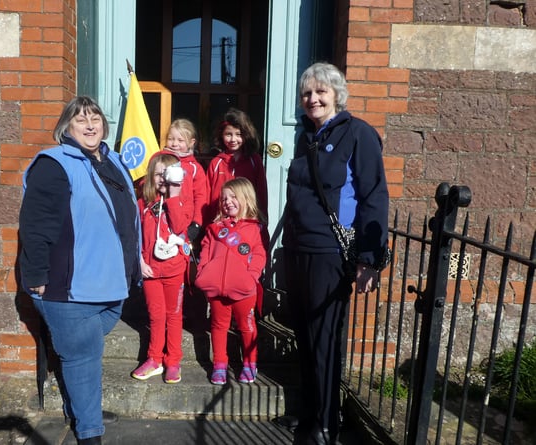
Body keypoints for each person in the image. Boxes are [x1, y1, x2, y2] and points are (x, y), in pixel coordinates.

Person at [18, 96, 140, 445]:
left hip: (112, 285)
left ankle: (83, 408)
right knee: (83, 357)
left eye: (95, 118)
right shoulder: (53, 164)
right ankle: (89, 432)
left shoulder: (113, 161)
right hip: (69, 286)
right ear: (66, 129)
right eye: (80, 120)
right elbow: (36, 224)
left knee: (85, 354)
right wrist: (37, 277)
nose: (90, 125)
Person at [283, 62, 389, 444]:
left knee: (326, 339)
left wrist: (368, 259)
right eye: (307, 93)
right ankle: (310, 413)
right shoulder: (305, 137)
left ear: (336, 95)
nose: (312, 99)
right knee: (306, 337)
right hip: (298, 249)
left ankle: (328, 424)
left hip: (331, 253)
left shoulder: (358, 134)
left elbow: (374, 197)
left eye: (320, 92)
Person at [195, 177, 267, 385]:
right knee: (218, 326)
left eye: (234, 197)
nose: (228, 202)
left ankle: (249, 363)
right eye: (224, 198)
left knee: (246, 326)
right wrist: (202, 272)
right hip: (216, 288)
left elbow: (260, 255)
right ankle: (219, 364)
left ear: (247, 198)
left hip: (244, 290)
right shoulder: (215, 228)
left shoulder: (256, 229)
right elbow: (206, 252)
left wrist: (251, 276)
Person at [131, 153, 193, 384]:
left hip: (174, 270)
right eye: (159, 175)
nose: (163, 180)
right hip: (150, 271)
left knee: (174, 316)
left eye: (168, 175)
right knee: (156, 316)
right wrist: (139, 261)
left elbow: (179, 226)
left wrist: (173, 195)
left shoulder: (181, 202)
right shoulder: (142, 204)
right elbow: (134, 237)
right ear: (150, 176)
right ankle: (154, 358)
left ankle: (173, 360)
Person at [205, 108, 268, 227]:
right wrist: (207, 225)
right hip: (220, 224)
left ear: (246, 135)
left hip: (247, 223)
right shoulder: (216, 163)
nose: (233, 139)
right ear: (221, 135)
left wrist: (263, 220)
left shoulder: (254, 161)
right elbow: (207, 196)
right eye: (228, 134)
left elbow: (261, 192)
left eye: (238, 134)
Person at [162, 118, 208, 245]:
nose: (175, 144)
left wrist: (197, 223)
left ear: (191, 142)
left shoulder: (195, 168)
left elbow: (200, 197)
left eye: (180, 140)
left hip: (184, 221)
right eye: (171, 139)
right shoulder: (159, 159)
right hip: (161, 216)